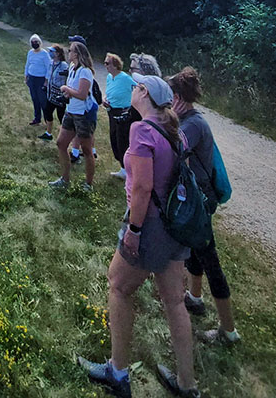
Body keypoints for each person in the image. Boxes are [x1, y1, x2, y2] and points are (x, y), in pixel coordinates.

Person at [79, 74, 201, 398]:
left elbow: (144, 187)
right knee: (175, 302)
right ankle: (187, 384)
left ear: (143, 92)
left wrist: (133, 230)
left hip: (149, 227)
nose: (132, 90)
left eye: (135, 87)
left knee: (118, 286)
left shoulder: (142, 129)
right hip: (176, 227)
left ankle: (117, 372)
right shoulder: (177, 133)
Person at [168, 67, 240, 346]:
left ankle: (228, 331)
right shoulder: (186, 118)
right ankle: (195, 299)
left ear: (177, 97)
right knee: (195, 252)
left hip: (201, 199)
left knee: (210, 259)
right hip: (198, 196)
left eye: (169, 97)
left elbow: (174, 149)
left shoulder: (193, 124)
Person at [49, 41, 96, 191]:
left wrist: (66, 88)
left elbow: (82, 94)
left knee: (87, 150)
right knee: (61, 144)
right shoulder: (72, 67)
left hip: (83, 115)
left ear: (77, 54)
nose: (68, 52)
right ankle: (65, 178)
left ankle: (88, 184)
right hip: (71, 111)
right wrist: (67, 92)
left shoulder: (85, 71)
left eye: (71, 50)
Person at [103, 53, 137, 180]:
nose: (105, 65)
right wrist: (105, 99)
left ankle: (128, 171)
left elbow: (138, 88)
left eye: (107, 63)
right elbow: (109, 92)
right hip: (111, 110)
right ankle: (123, 167)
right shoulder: (109, 77)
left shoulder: (125, 78)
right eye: (105, 63)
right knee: (113, 138)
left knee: (122, 139)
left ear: (116, 65)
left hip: (122, 112)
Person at [40, 44, 69, 142]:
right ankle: (48, 133)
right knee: (47, 111)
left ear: (58, 53)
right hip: (51, 93)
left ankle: (64, 136)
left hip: (60, 94)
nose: (50, 53)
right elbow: (48, 75)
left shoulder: (64, 65)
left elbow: (67, 79)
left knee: (61, 116)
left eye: (52, 51)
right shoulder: (51, 63)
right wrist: (45, 84)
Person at [24, 34, 51, 126]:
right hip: (32, 78)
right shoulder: (30, 53)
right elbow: (27, 64)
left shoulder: (44, 54)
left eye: (36, 42)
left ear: (40, 43)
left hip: (41, 79)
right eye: (32, 42)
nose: (34, 44)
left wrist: (46, 80)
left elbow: (49, 67)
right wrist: (26, 76)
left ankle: (48, 120)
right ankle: (37, 118)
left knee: (43, 100)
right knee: (35, 99)